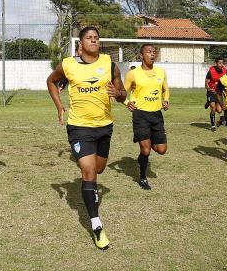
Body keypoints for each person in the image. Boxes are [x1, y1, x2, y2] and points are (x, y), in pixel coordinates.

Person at [46, 27, 125, 250]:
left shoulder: (110, 64)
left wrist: (117, 94)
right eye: (89, 37)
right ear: (80, 43)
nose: (93, 40)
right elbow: (51, 81)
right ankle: (97, 224)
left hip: (104, 127)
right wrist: (60, 106)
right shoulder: (68, 64)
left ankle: (91, 191)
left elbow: (122, 94)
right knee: (88, 172)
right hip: (79, 127)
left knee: (99, 169)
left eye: (96, 37)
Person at [123, 43, 169, 190]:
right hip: (140, 114)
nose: (152, 54)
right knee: (146, 150)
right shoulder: (133, 73)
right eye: (149, 52)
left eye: (154, 52)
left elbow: (165, 89)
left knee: (162, 150)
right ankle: (142, 177)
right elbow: (122, 93)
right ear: (141, 55)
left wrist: (166, 100)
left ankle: (142, 156)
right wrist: (126, 102)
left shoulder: (161, 72)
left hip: (156, 115)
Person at [204, 57, 227, 131]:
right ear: (216, 63)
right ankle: (213, 126)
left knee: (220, 110)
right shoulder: (211, 71)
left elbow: (226, 82)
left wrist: (225, 91)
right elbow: (206, 84)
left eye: (222, 63)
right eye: (219, 63)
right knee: (213, 108)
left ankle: (208, 102)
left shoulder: (225, 71)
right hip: (211, 92)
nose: (221, 65)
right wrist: (209, 89)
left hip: (219, 92)